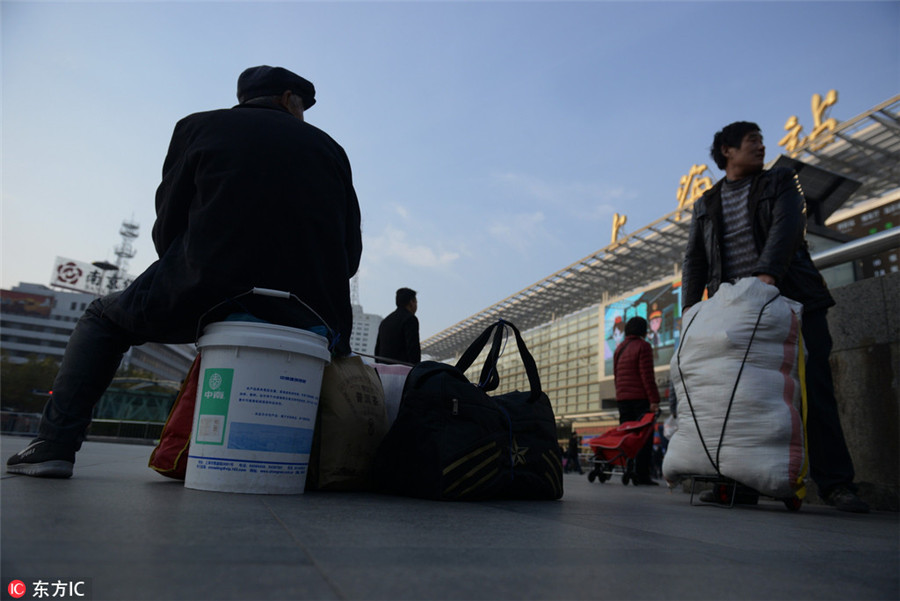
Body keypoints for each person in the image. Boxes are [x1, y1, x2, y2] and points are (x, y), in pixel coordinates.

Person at [7, 65, 363, 478]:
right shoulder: (331, 149)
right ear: (288, 100)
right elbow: (349, 254)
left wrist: (191, 270)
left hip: (208, 290)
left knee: (102, 320)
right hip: (314, 309)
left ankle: (53, 445)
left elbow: (168, 226)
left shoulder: (199, 127)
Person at [681, 121, 868, 513]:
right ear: (727, 151)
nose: (762, 147)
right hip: (737, 314)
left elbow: (789, 225)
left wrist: (767, 275)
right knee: (744, 399)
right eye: (753, 141)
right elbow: (695, 261)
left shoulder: (780, 181)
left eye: (763, 141)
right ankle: (740, 483)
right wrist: (690, 315)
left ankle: (835, 484)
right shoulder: (706, 203)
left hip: (794, 301)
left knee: (814, 390)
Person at [612, 316, 660, 485]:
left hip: (623, 399)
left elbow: (616, 376)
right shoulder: (643, 346)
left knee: (628, 437)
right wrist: (654, 399)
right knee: (644, 437)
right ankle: (642, 475)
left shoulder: (619, 349)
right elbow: (647, 375)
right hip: (640, 398)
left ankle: (628, 469)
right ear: (643, 330)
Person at [374, 288, 421, 365]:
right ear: (411, 302)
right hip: (402, 371)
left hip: (382, 370)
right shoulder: (410, 319)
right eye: (416, 302)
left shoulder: (385, 322)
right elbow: (413, 349)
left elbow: (377, 350)